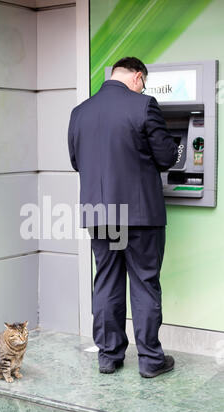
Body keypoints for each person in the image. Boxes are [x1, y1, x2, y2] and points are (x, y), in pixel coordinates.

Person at [67, 57, 178, 378]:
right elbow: (167, 156)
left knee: (106, 280)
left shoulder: (80, 112)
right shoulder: (144, 105)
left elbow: (77, 161)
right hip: (140, 213)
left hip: (99, 213)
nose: (143, 88)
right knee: (143, 283)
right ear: (137, 77)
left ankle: (108, 356)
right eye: (143, 82)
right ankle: (150, 360)